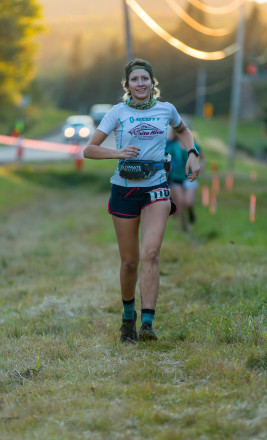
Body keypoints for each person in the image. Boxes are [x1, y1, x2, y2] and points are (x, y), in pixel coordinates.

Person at [83, 58, 200, 343]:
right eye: (134, 79)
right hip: (124, 190)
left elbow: (183, 130)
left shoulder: (166, 109)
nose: (140, 84)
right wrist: (118, 153)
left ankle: (147, 324)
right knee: (130, 262)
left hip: (157, 188)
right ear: (127, 84)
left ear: (152, 82)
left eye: (144, 79)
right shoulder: (117, 112)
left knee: (151, 254)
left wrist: (193, 154)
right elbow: (89, 149)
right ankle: (127, 319)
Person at [166, 127, 206, 231]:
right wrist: (168, 166)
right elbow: (168, 158)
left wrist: (202, 165)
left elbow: (203, 158)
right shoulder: (173, 146)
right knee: (180, 202)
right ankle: (184, 225)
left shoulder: (194, 146)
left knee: (188, 202)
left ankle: (190, 210)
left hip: (190, 177)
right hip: (176, 177)